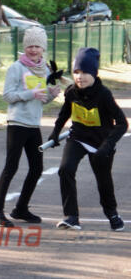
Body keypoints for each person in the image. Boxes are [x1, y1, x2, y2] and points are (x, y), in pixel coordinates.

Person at [48, 48, 128, 231]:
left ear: (94, 73)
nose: (80, 77)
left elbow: (122, 123)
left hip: (101, 143)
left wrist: (107, 146)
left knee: (104, 181)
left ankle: (112, 214)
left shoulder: (104, 94)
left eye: (84, 72)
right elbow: (64, 114)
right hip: (78, 138)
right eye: (76, 72)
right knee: (65, 169)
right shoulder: (71, 92)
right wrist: (55, 132)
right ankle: (71, 216)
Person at [0, 27, 60, 227]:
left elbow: (41, 99)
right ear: (24, 47)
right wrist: (30, 94)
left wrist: (52, 95)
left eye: (37, 46)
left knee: (37, 168)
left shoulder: (45, 70)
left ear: (43, 48)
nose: (33, 50)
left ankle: (21, 209)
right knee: (11, 166)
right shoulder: (16, 68)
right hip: (17, 123)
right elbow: (7, 96)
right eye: (30, 46)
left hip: (34, 124)